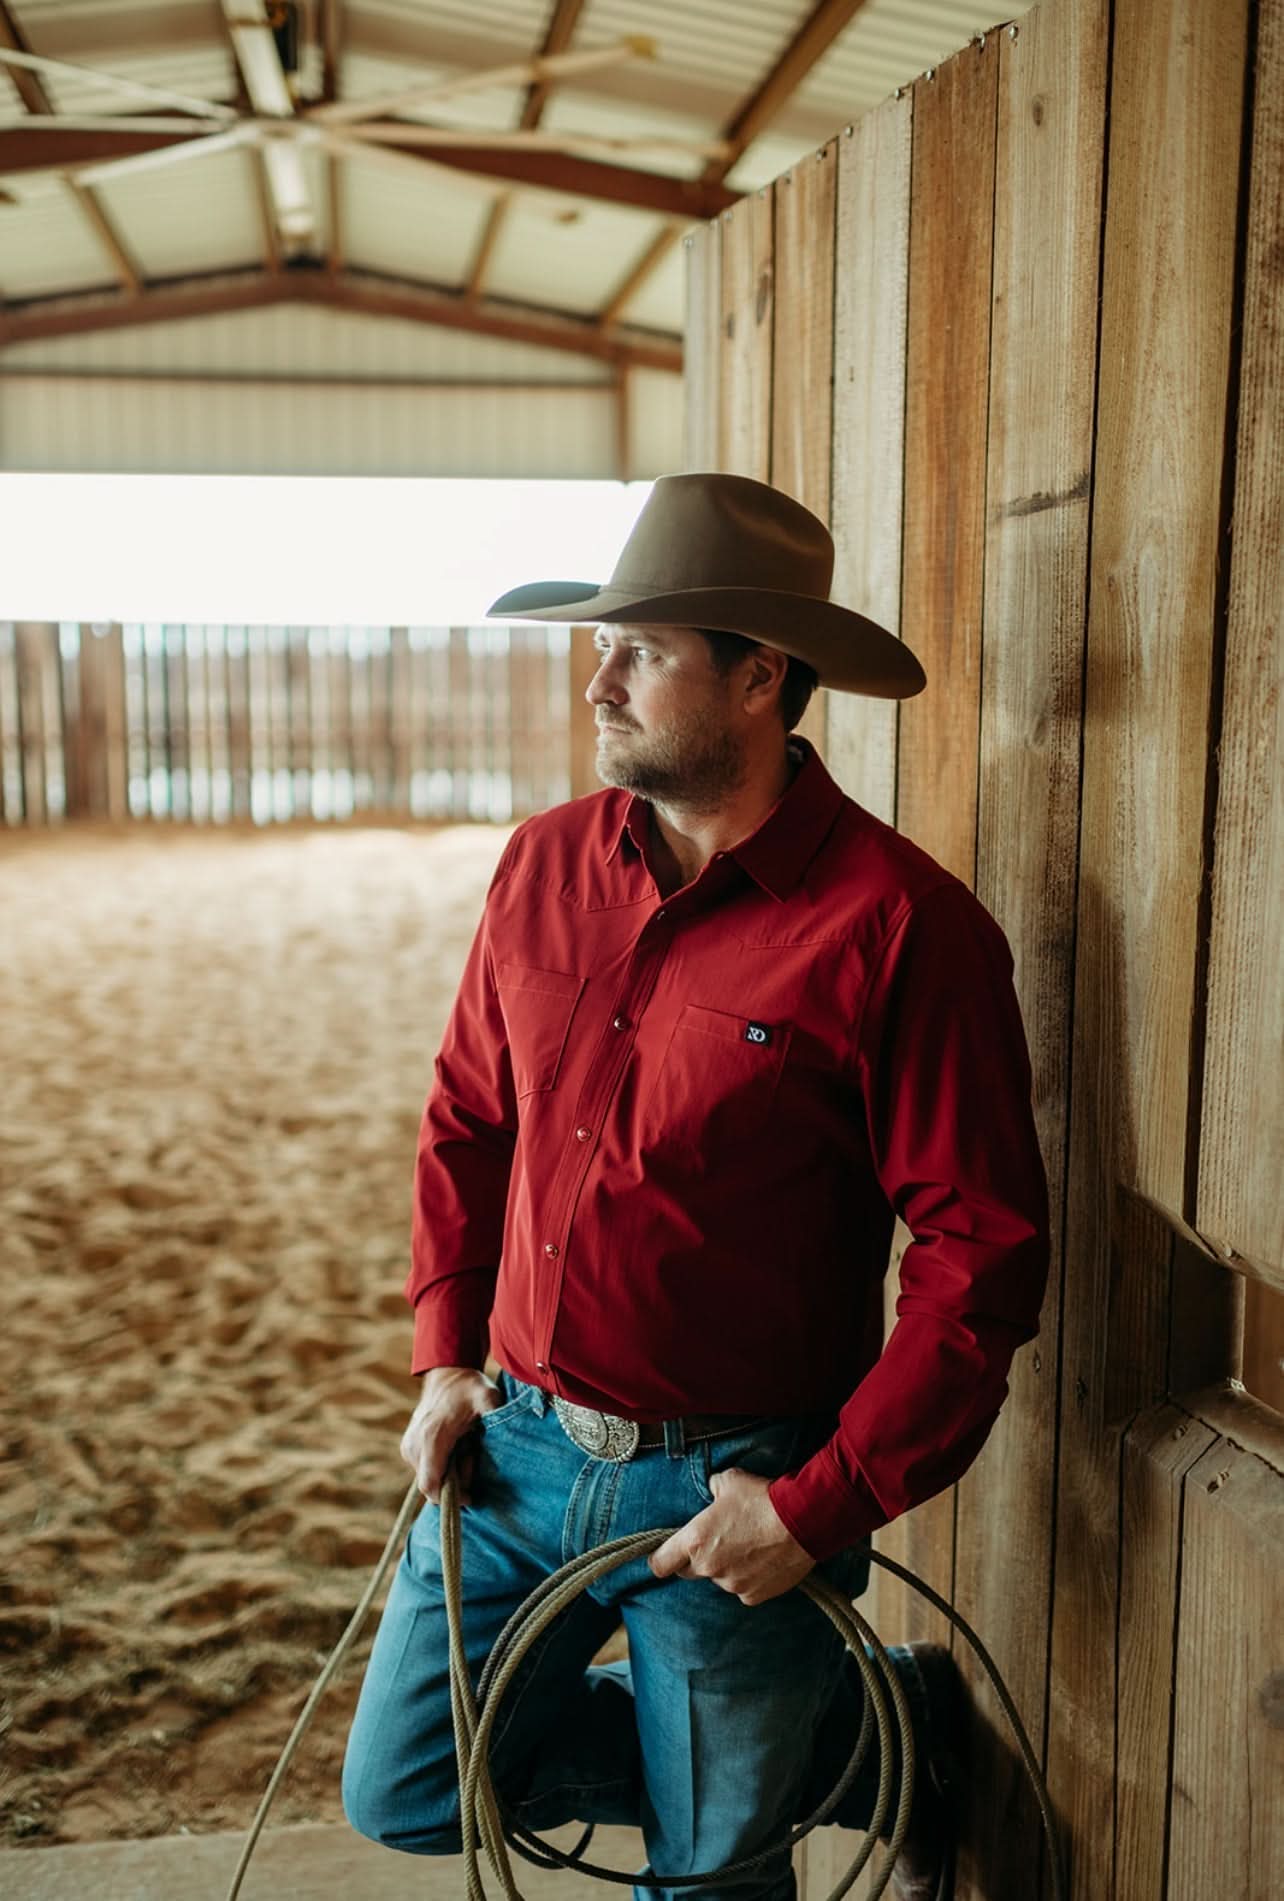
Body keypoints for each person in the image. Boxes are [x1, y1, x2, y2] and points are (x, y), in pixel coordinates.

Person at [342, 473, 1050, 1901]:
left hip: (741, 1480)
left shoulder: (905, 929)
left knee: (712, 1882)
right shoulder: (542, 866)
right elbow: (469, 1116)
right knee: (411, 1791)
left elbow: (982, 1252)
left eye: (645, 649)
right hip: (520, 1443)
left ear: (758, 678)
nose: (597, 679)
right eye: (602, 642)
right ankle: (862, 1735)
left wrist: (813, 1506)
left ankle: (801, 1739)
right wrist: (440, 1358)